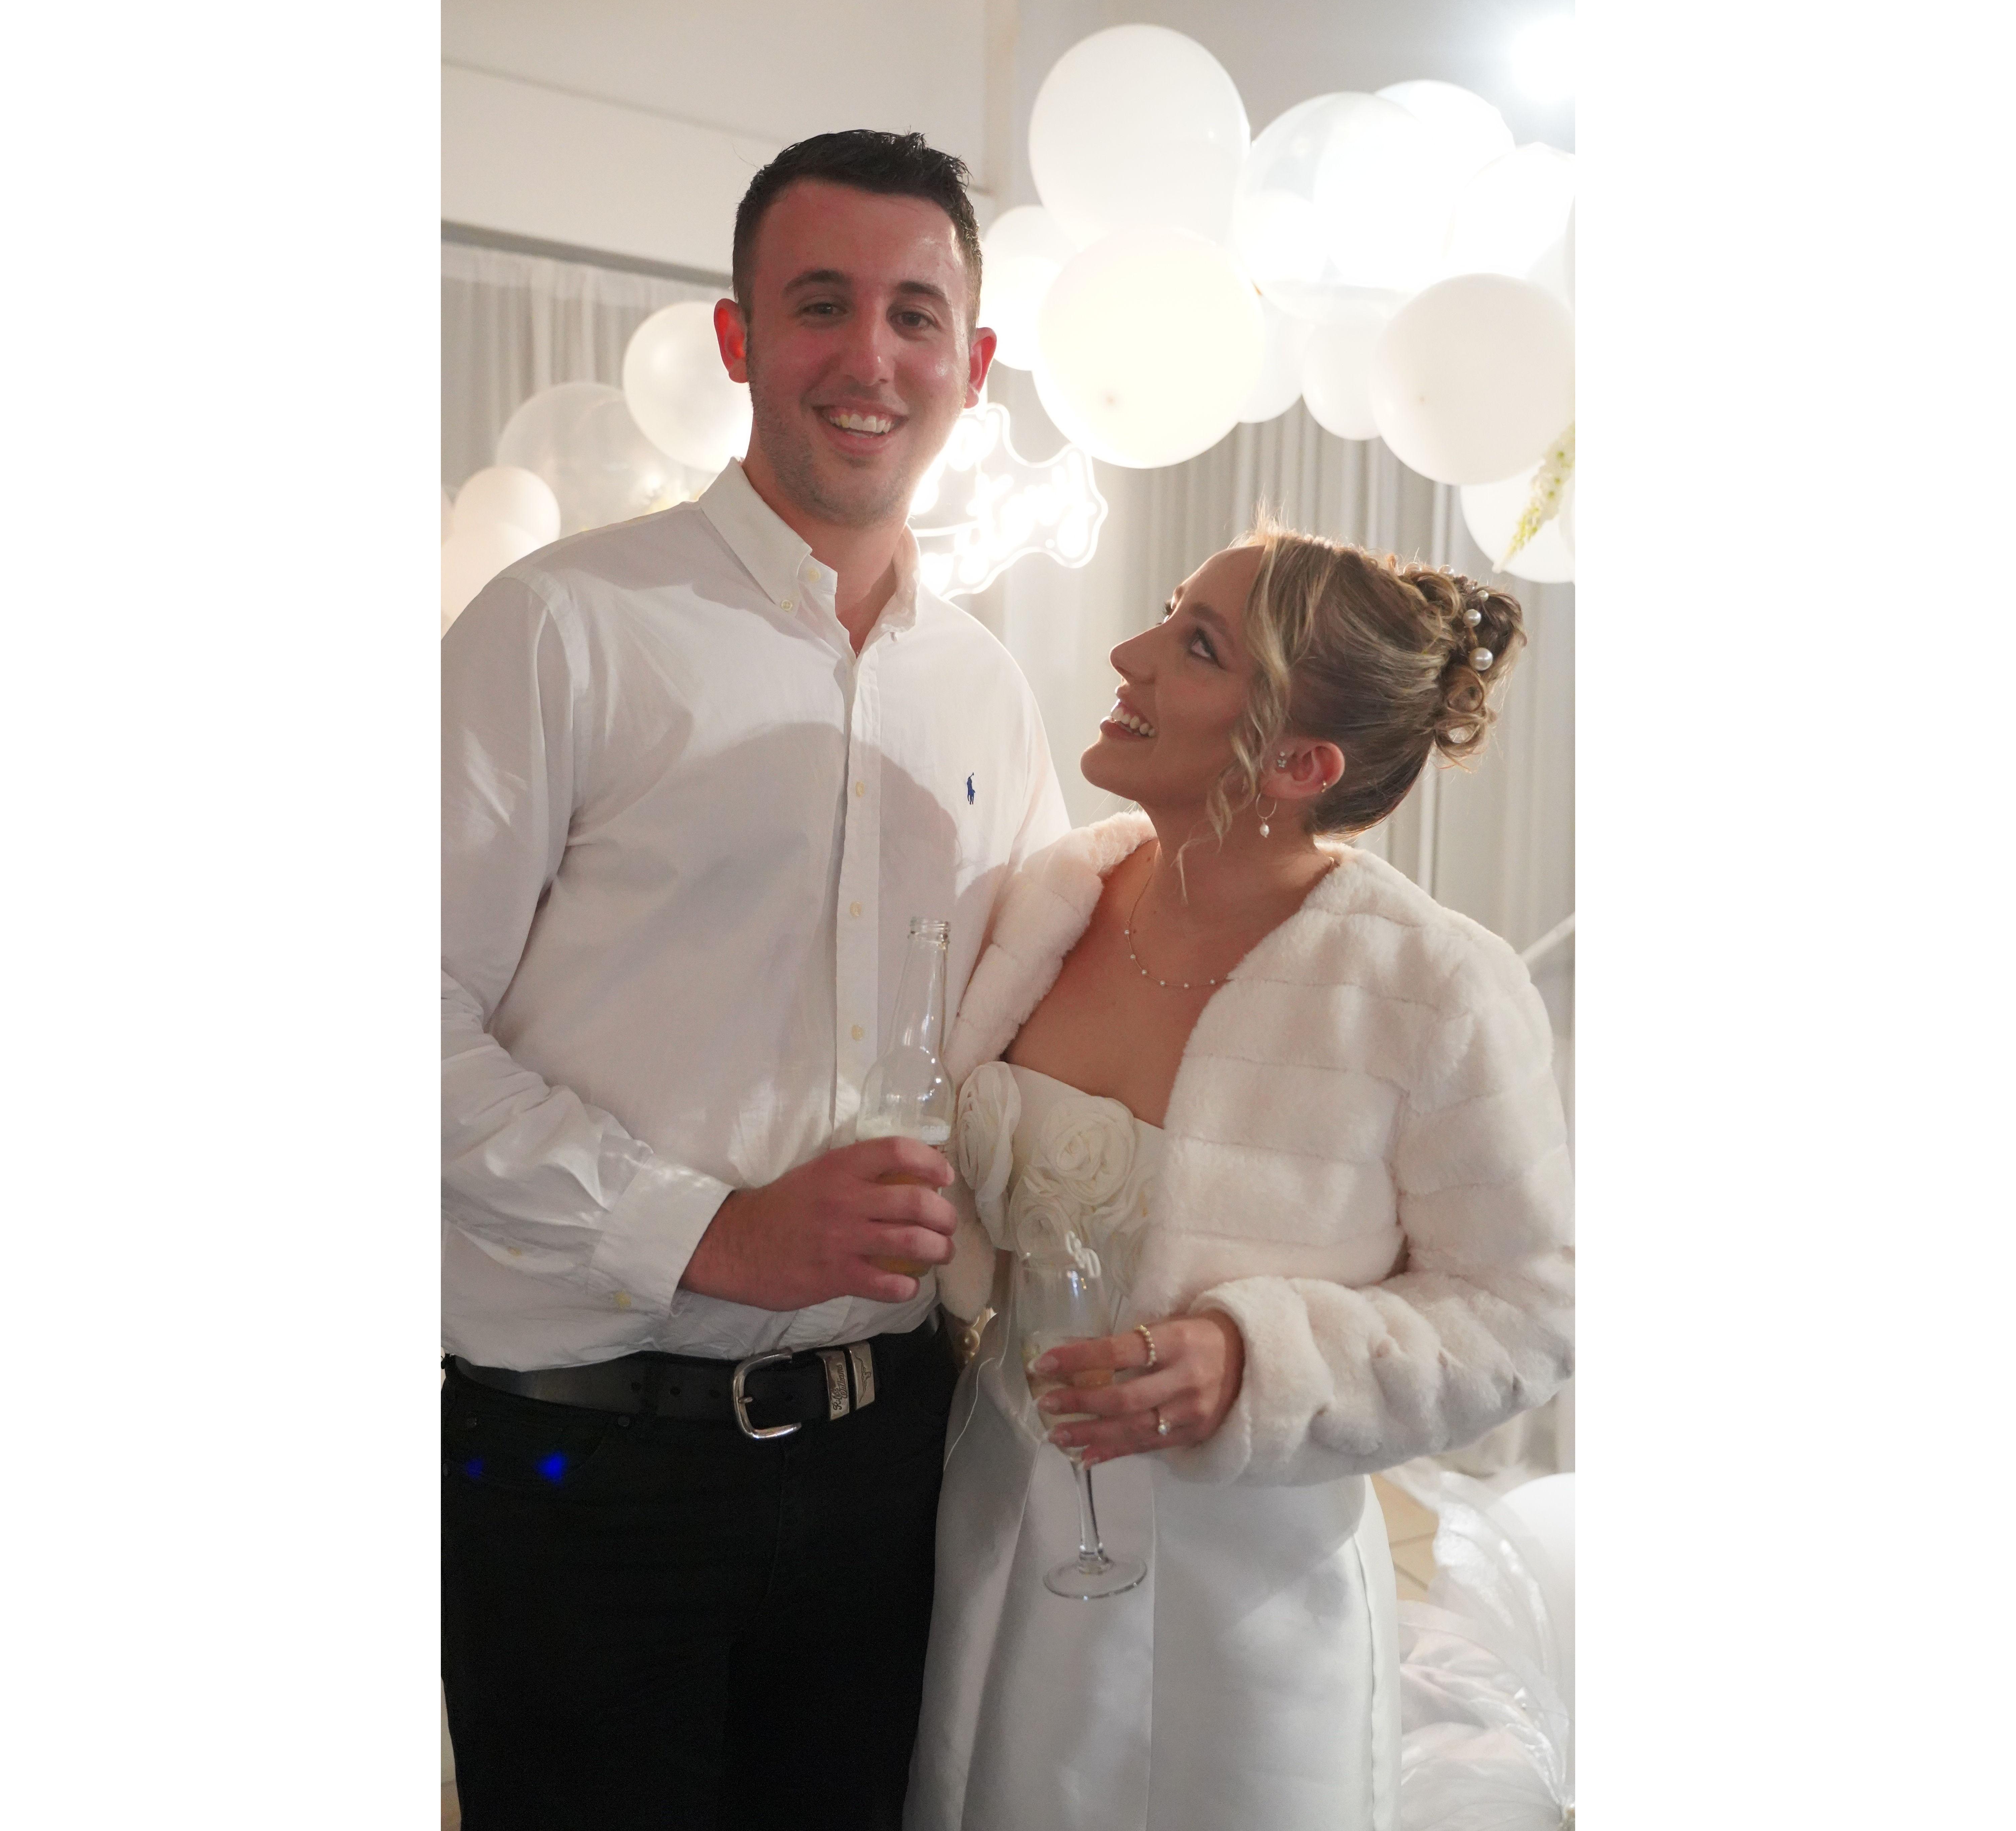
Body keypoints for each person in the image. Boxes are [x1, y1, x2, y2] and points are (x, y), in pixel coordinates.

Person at [440, 130, 1070, 1831]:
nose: (871, 356)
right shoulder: (561, 626)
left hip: (895, 1463)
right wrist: (705, 1231)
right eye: (819, 305)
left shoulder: (987, 691)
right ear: (738, 336)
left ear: (972, 364)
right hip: (582, 1469)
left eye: (916, 316)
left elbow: (1037, 1032)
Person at [906, 526, 1576, 1831]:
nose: (1130, 654)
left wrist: (1251, 1360)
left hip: (1244, 1611)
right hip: (995, 1538)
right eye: (1170, 613)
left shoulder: (1430, 988)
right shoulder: (1051, 897)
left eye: (1197, 646)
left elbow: (1530, 1314)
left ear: (1298, 764)